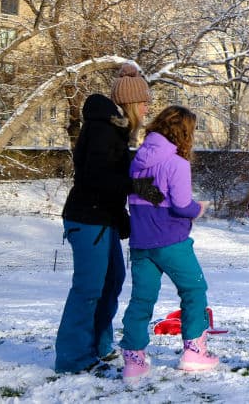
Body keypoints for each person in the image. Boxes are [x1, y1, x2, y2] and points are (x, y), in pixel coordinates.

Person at [54, 63, 156, 373]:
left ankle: (97, 346)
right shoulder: (101, 129)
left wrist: (126, 211)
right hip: (87, 220)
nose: (147, 106)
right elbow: (96, 178)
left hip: (103, 219)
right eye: (143, 101)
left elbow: (113, 175)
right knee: (88, 288)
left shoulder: (115, 131)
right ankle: (73, 358)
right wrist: (137, 186)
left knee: (112, 281)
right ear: (129, 103)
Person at [119, 106, 218, 384]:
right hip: (171, 240)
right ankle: (194, 352)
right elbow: (181, 205)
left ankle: (134, 361)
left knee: (141, 299)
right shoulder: (177, 163)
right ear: (184, 131)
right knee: (194, 289)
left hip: (142, 242)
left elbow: (149, 197)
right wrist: (199, 208)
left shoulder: (138, 159)